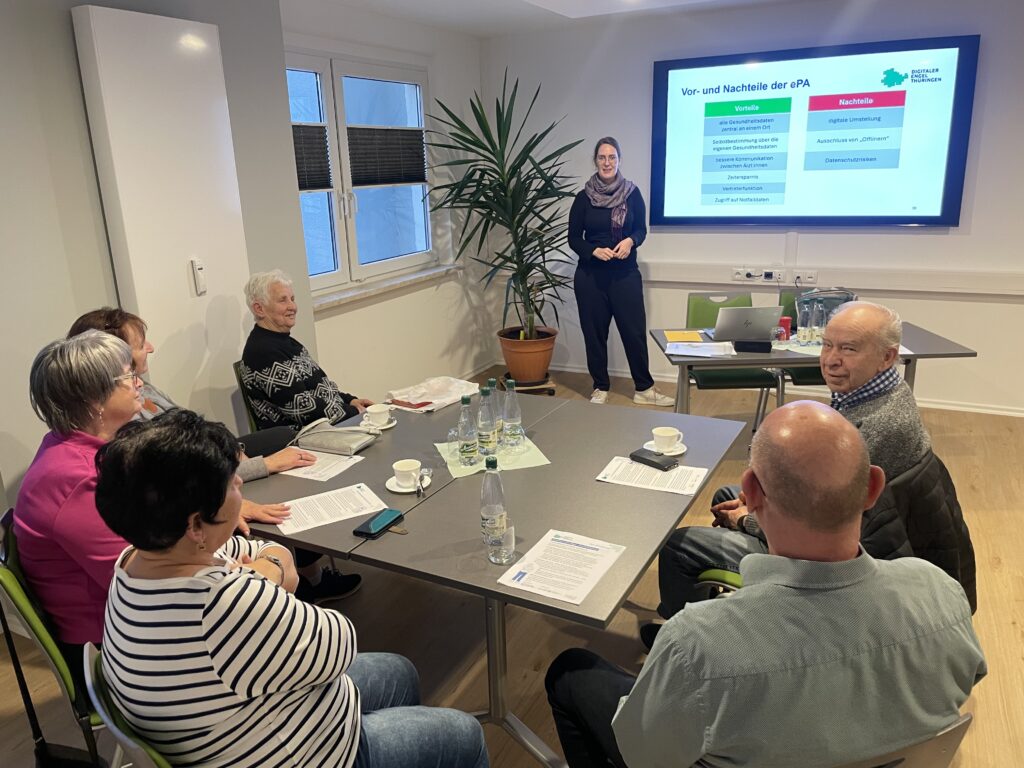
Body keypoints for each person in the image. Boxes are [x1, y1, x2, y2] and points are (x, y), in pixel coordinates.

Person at [545, 401, 986, 768]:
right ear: (873, 487)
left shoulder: (696, 642)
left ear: (751, 492)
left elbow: (643, 754)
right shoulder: (940, 590)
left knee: (570, 672)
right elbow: (971, 675)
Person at [95, 409, 490, 768]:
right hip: (301, 752)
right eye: (231, 485)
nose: (239, 484)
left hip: (248, 721)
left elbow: (269, 550)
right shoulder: (225, 604)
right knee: (466, 735)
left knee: (398, 671)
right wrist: (266, 574)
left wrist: (264, 569)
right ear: (197, 525)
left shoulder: (135, 560)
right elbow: (339, 643)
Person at [645, 301, 943, 647]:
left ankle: (684, 642)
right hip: (867, 533)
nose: (831, 359)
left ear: (888, 357)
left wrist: (748, 521)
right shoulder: (879, 394)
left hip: (834, 567)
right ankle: (736, 612)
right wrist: (752, 505)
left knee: (679, 545)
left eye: (848, 349)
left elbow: (825, 535)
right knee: (728, 496)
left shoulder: (876, 429)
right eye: (827, 344)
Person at [67, 308, 360, 602]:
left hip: (206, 474)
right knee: (278, 472)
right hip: (196, 506)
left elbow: (193, 436)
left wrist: (236, 451)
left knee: (282, 438)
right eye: (141, 343)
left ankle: (306, 566)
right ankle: (305, 575)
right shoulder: (122, 440)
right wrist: (260, 470)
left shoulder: (142, 396)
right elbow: (183, 476)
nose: (150, 348)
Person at [14, 330, 144, 651]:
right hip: (114, 645)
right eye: (128, 375)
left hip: (126, 620)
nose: (139, 381)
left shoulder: (80, 448)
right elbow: (138, 581)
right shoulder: (74, 478)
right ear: (94, 399)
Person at [569, 137, 672, 407]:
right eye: (602, 157)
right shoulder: (583, 198)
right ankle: (600, 386)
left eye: (612, 157)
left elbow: (641, 229)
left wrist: (630, 241)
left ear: (619, 160)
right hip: (590, 276)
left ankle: (644, 388)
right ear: (595, 161)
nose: (607, 162)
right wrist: (592, 250)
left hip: (625, 274)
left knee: (634, 331)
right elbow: (573, 238)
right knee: (594, 333)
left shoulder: (631, 193)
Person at [239, 269, 374, 429]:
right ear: (259, 309)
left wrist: (349, 400)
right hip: (299, 440)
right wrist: (353, 412)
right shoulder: (263, 352)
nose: (293, 306)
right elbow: (304, 409)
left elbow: (320, 388)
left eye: (292, 299)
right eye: (283, 300)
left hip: (327, 427)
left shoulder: (285, 341)